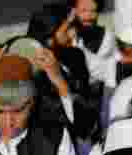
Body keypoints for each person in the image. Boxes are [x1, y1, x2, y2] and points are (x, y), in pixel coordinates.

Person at [26, 2, 97, 141]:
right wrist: (57, 80)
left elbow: (86, 104)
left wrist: (60, 80)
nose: (74, 33)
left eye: (73, 27)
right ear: (49, 38)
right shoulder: (30, 69)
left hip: (82, 134)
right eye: (67, 29)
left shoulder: (76, 56)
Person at [101, 22, 132, 129]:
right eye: (121, 51)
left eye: (129, 54)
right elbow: (106, 105)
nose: (122, 58)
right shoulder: (115, 64)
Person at [72, 0, 115, 86]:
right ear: (74, 11)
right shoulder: (68, 38)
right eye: (83, 10)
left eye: (93, 11)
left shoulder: (109, 36)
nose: (88, 16)